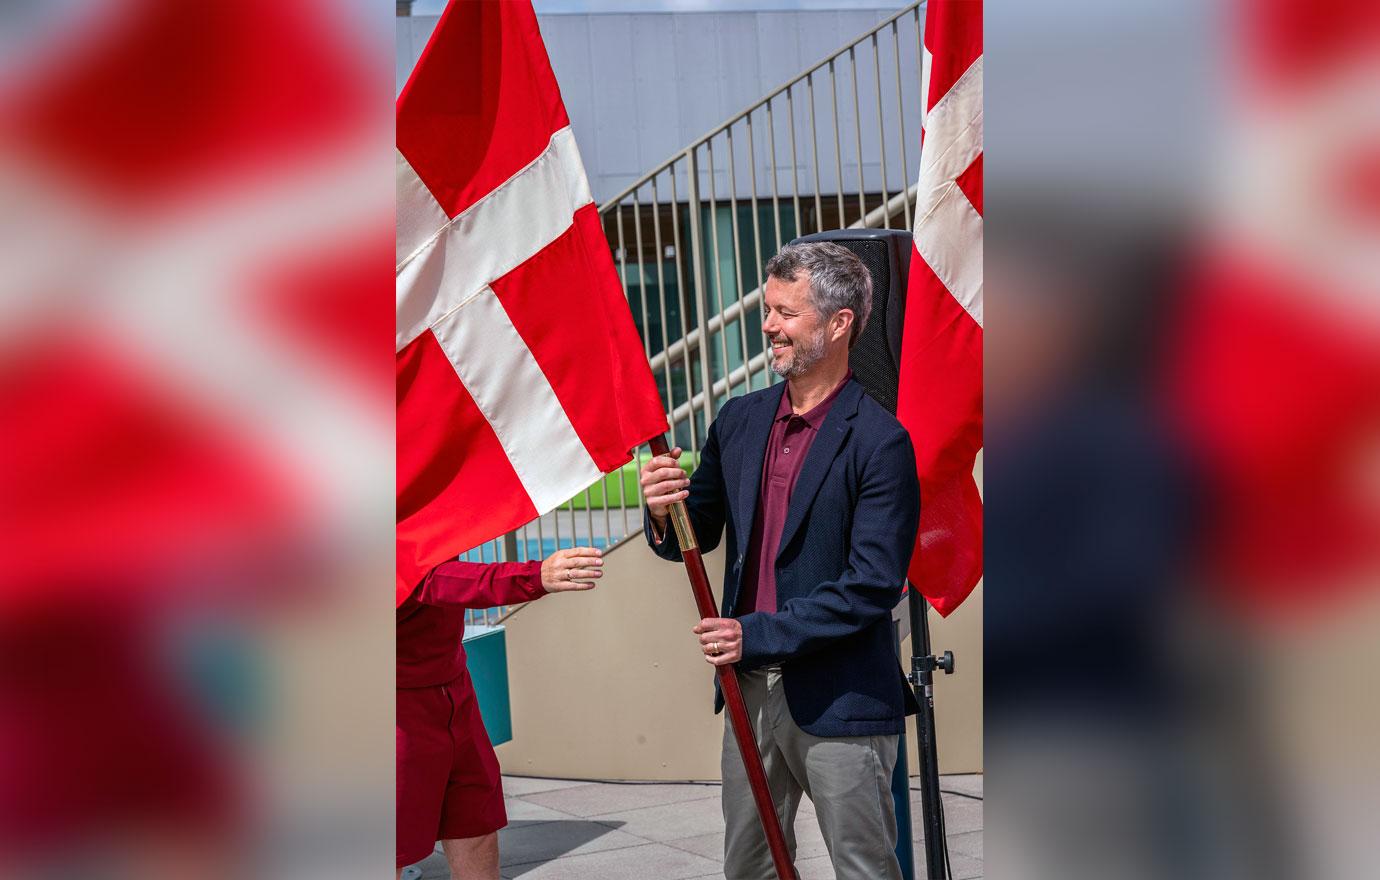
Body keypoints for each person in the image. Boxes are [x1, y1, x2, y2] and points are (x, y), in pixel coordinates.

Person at [640, 241, 920, 880]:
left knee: (864, 869)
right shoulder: (738, 420)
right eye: (768, 309)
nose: (767, 325)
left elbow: (872, 586)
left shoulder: (881, 442)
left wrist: (752, 631)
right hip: (748, 694)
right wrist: (661, 509)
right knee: (749, 867)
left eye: (785, 313)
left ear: (838, 323)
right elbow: (697, 529)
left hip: (841, 698)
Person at [396, 547, 603, 879]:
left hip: (453, 693)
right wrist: (535, 577)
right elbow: (435, 581)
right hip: (394, 708)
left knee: (474, 828)